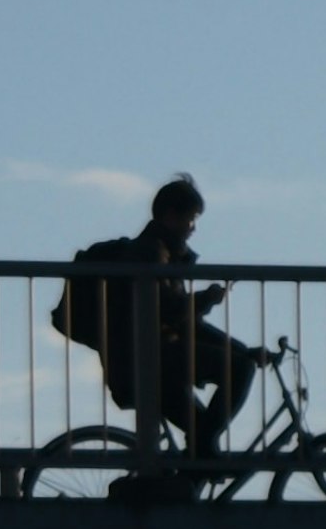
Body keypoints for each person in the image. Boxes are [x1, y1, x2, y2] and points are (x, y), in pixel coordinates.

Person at [52, 174, 256, 456]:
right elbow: (169, 311)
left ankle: (190, 484)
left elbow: (185, 323)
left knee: (202, 439)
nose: (193, 228)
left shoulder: (163, 254)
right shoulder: (150, 254)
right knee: (238, 373)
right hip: (149, 363)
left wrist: (241, 349)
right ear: (171, 216)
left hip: (146, 364)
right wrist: (205, 299)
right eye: (191, 218)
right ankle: (198, 462)